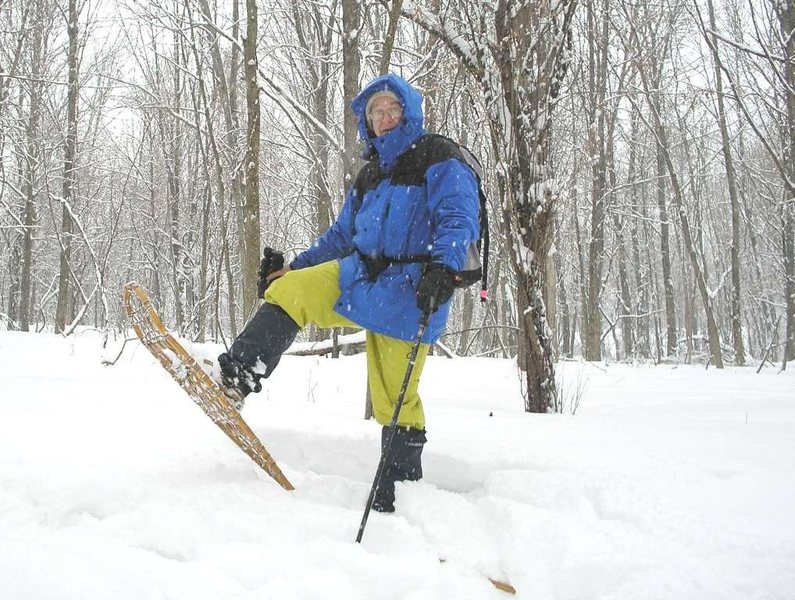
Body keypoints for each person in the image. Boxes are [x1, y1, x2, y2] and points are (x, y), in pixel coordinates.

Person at [217, 73, 480, 513]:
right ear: (367, 121)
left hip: (411, 291)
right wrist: (290, 270)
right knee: (293, 291)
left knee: (394, 397)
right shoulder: (371, 175)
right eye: (375, 112)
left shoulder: (440, 158)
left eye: (391, 110)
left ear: (408, 113)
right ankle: (238, 376)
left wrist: (444, 268)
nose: (384, 118)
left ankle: (399, 488)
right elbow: (339, 239)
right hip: (359, 277)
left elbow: (458, 217)